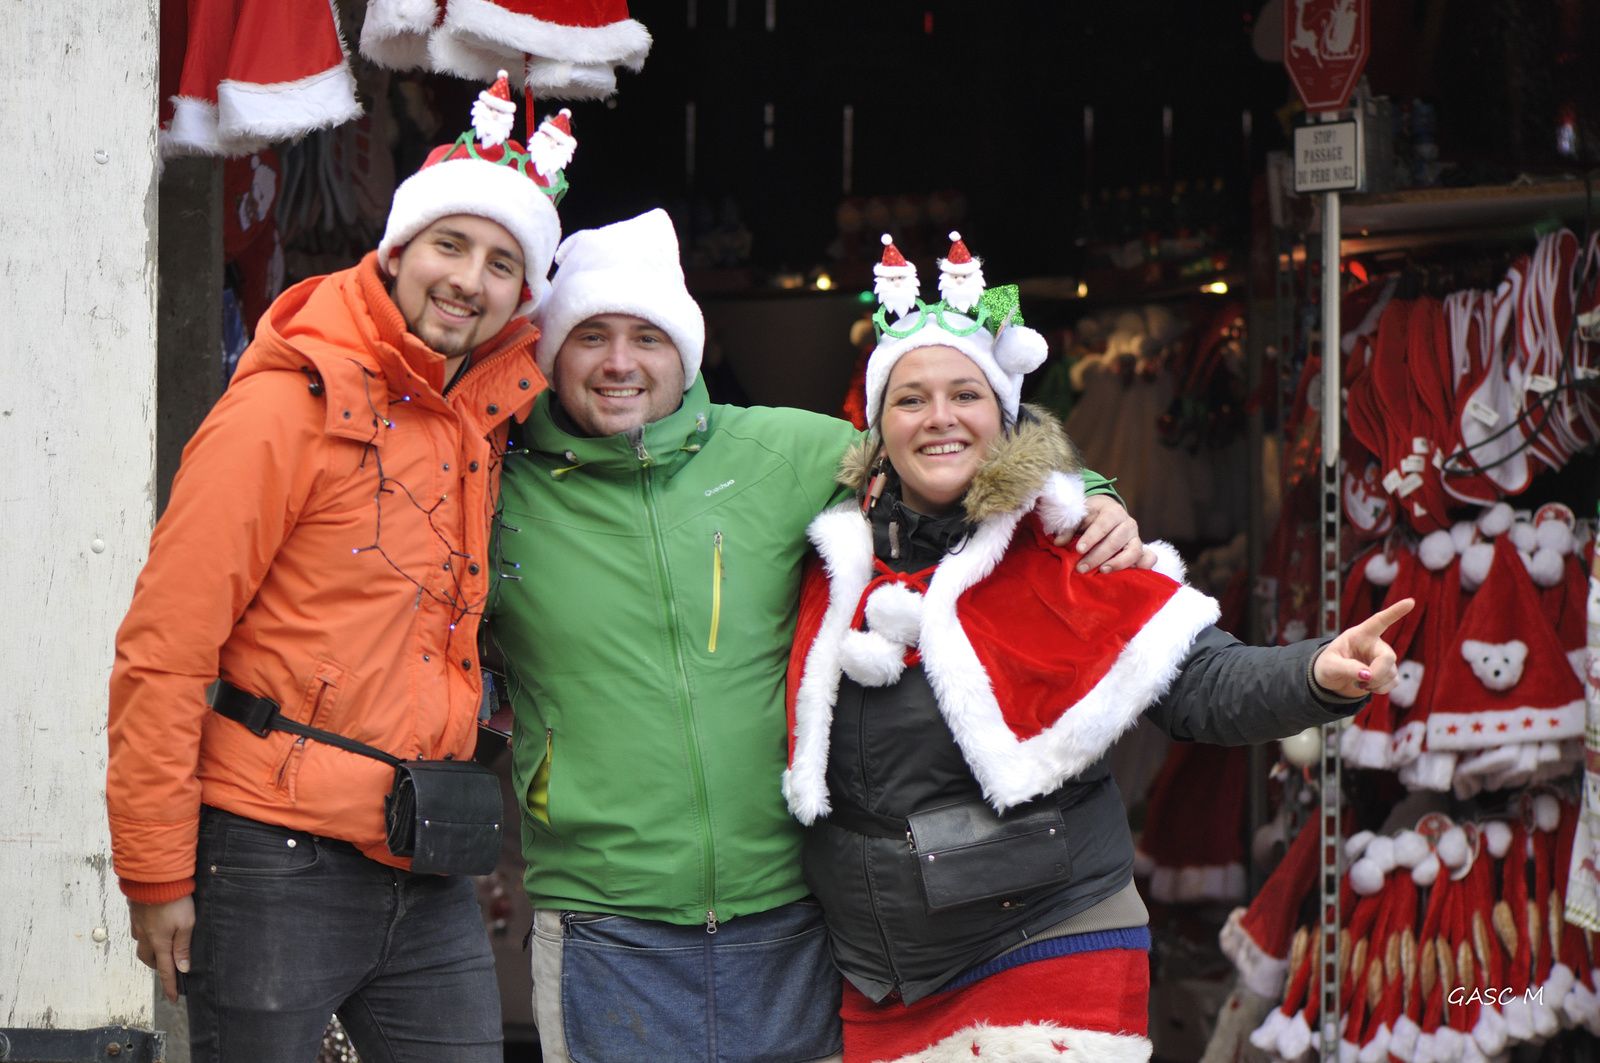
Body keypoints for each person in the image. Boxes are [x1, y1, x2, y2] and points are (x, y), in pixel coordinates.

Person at [484, 213, 1148, 1062]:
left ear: (686, 348)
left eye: (647, 335)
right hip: (606, 928)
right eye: (592, 336)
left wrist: (1086, 491)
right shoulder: (502, 492)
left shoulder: (785, 451)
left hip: (788, 920)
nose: (621, 363)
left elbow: (941, 449)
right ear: (551, 354)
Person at [782, 242, 1413, 1062]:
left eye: (965, 393)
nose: (939, 416)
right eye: (911, 398)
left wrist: (1317, 673)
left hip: (1047, 937)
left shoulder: (1067, 544)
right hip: (878, 972)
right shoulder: (830, 557)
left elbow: (1197, 679)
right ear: (878, 422)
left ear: (1003, 414)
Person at [107, 75, 572, 1062]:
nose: (469, 279)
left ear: (519, 296)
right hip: (272, 853)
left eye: (501, 263)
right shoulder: (286, 407)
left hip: (426, 849)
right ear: (397, 252)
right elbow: (166, 643)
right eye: (450, 244)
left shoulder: (476, 427)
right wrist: (156, 872)